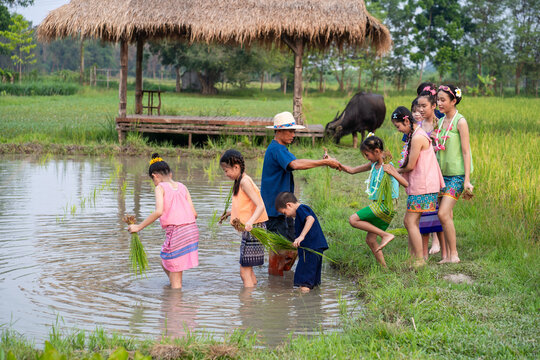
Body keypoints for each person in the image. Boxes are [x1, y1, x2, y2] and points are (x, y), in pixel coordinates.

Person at [260, 111, 340, 276]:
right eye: (290, 131)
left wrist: (322, 161)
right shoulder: (276, 149)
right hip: (275, 211)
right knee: (279, 251)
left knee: (290, 247)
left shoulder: (281, 149)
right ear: (279, 131)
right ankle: (275, 286)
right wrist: (324, 162)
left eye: (294, 131)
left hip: (285, 209)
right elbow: (295, 164)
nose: (293, 134)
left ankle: (279, 283)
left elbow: (297, 162)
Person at [128, 153, 199, 289]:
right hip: (191, 230)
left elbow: (158, 211)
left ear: (155, 176)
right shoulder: (183, 187)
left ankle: (175, 298)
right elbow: (194, 214)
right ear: (169, 173)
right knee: (165, 261)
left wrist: (138, 227)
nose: (154, 183)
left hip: (177, 232)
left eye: (153, 179)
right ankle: (175, 284)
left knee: (174, 271)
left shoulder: (160, 187)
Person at [338, 134, 408, 267]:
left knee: (353, 219)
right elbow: (352, 170)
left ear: (376, 151)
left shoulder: (388, 166)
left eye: (367, 155)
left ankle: (385, 235)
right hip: (381, 205)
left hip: (386, 205)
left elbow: (406, 183)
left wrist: (392, 172)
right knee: (370, 240)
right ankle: (384, 269)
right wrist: (335, 163)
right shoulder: (373, 164)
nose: (366, 158)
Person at [391, 107, 445, 267]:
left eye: (398, 126)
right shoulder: (414, 135)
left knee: (410, 221)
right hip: (421, 185)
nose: (399, 129)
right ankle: (415, 256)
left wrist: (393, 170)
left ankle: (420, 259)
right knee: (411, 221)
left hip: (424, 186)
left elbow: (410, 165)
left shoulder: (418, 137)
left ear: (406, 121)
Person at [434, 84, 473, 264]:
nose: (439, 103)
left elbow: (466, 152)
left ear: (453, 101)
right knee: (446, 215)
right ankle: (448, 254)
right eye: (438, 100)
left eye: (443, 100)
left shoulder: (460, 121)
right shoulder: (441, 121)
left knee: (442, 214)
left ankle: (454, 254)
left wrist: (467, 180)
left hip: (456, 176)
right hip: (441, 175)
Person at [219, 149, 268, 287]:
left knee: (244, 272)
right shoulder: (240, 181)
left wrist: (250, 222)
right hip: (253, 228)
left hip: (254, 228)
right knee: (248, 270)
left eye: (226, 170)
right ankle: (252, 301)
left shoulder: (245, 182)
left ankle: (246, 306)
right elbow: (246, 205)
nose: (226, 174)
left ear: (236, 167)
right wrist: (230, 213)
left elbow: (260, 206)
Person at [275, 192, 328, 293]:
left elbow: (310, 219)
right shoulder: (301, 211)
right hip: (314, 247)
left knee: (304, 282)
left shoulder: (301, 209)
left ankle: (302, 303)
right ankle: (314, 302)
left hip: (310, 249)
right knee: (313, 280)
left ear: (289, 205)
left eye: (284, 213)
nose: (286, 216)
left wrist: (301, 236)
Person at [415, 86, 446, 259]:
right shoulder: (418, 125)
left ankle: (437, 241)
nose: (420, 110)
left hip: (437, 167)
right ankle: (424, 243)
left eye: (423, 106)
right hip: (422, 169)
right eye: (418, 107)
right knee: (427, 207)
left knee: (438, 205)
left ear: (433, 105)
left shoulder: (439, 123)